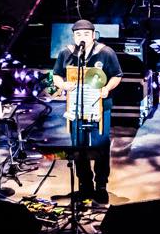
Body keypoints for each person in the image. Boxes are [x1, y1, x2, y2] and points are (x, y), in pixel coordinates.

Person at [51, 19, 122, 205]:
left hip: (100, 106)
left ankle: (101, 186)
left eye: (85, 34)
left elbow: (117, 75)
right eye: (78, 34)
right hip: (76, 108)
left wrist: (106, 88)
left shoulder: (105, 52)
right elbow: (56, 75)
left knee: (100, 145)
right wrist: (63, 85)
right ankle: (84, 184)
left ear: (93, 35)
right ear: (74, 36)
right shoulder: (67, 53)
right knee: (78, 146)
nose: (82, 37)